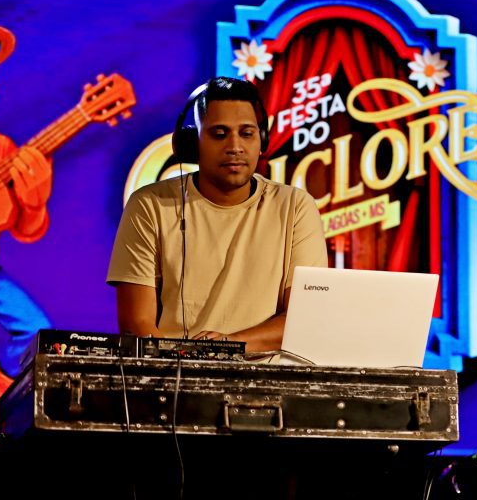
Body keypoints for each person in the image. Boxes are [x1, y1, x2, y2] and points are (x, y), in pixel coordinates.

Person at [107, 77, 327, 352]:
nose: (235, 146)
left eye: (246, 133)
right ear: (192, 144)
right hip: (175, 373)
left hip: (267, 376)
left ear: (262, 140)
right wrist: (189, 363)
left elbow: (303, 320)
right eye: (219, 134)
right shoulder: (149, 206)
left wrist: (226, 347)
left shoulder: (296, 207)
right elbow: (136, 323)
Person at [0, 23, 53, 434]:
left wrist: (34, 201)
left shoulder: (1, 149)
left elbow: (27, 230)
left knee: (35, 331)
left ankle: (1, 393)